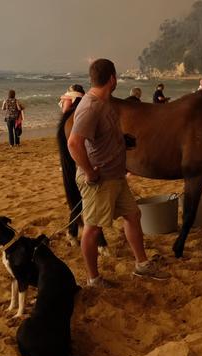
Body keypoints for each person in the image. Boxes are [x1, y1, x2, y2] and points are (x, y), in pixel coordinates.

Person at [67, 58, 170, 286]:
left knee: (133, 216)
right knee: (92, 229)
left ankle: (142, 265)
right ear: (112, 79)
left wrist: (122, 142)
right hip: (99, 179)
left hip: (115, 176)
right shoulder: (91, 106)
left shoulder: (105, 103)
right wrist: (89, 173)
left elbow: (100, 136)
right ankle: (93, 278)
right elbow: (74, 143)